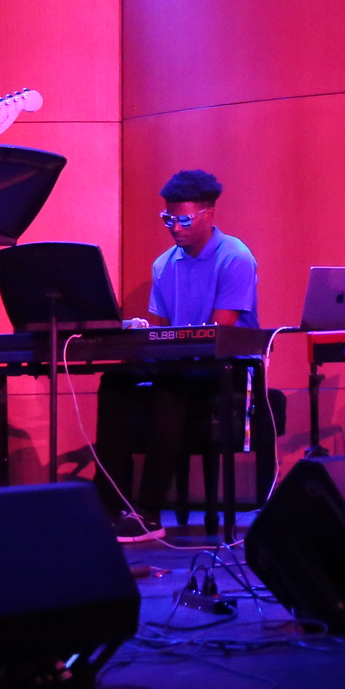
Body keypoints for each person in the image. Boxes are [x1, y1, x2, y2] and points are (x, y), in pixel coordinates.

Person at [93, 170, 259, 542]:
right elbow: (163, 334)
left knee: (171, 384)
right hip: (182, 363)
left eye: (183, 219)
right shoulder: (163, 264)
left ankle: (149, 511)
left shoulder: (235, 257)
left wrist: (171, 351)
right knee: (115, 382)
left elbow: (220, 334)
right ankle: (111, 503)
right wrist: (140, 337)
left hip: (227, 367)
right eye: (168, 218)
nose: (175, 228)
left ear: (208, 214)